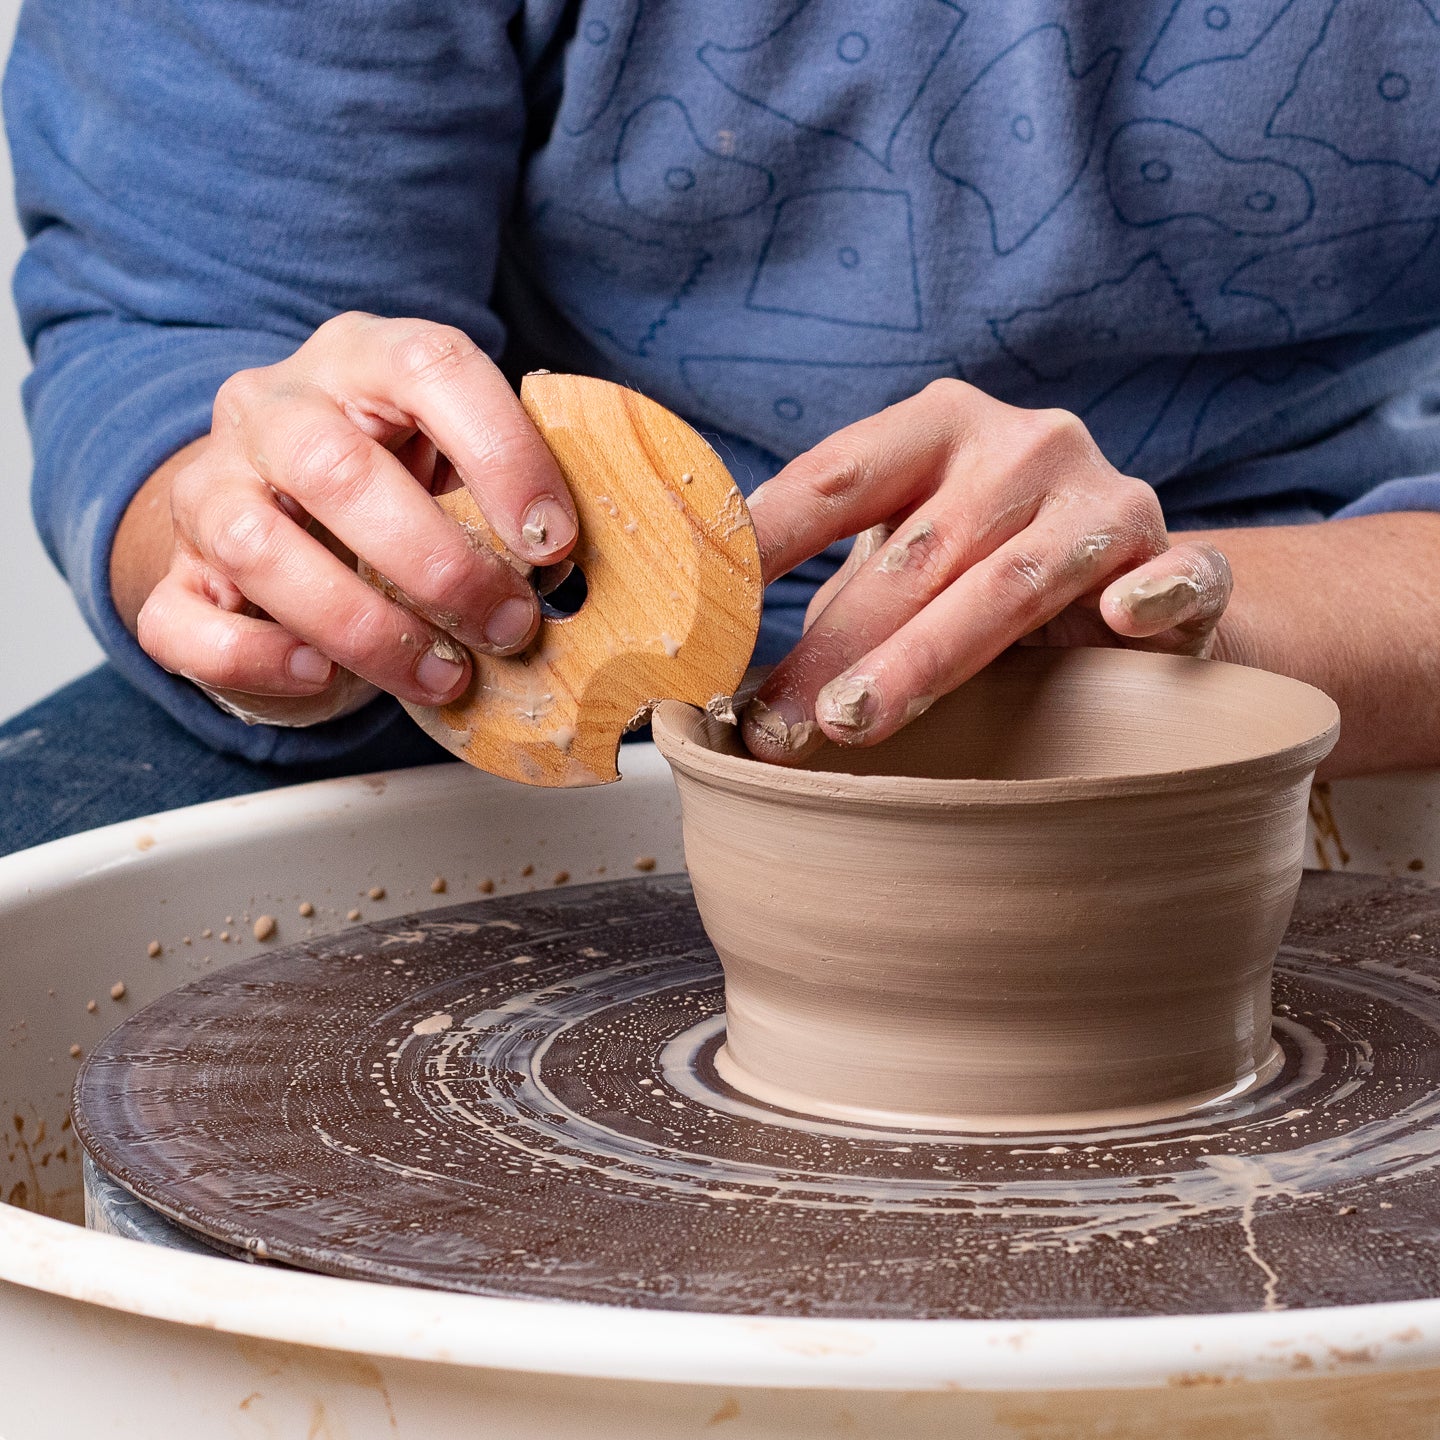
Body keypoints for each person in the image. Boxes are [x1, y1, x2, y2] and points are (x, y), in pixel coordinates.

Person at [4, 0, 1439, 858]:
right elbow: (199, 317)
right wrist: (270, 539)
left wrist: (1153, 641)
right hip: (511, 673)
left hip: (1318, 617)